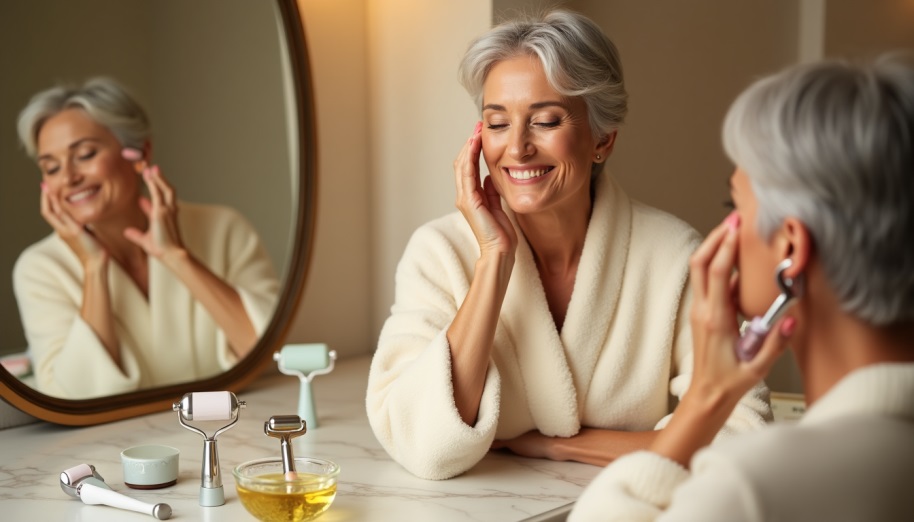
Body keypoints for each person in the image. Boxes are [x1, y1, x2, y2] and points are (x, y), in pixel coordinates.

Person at [366, 9, 771, 481]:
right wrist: (494, 262)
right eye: (497, 124)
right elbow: (423, 445)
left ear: (603, 139)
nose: (517, 148)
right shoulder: (438, 253)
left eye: (546, 121)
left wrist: (559, 447)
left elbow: (743, 436)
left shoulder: (674, 256)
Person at [569, 52, 914, 521]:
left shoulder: (754, 489)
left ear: (791, 248)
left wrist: (706, 397)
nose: (725, 230)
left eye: (735, 206)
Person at [13, 77, 279, 399]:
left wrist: (177, 257)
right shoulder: (39, 268)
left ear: (140, 152)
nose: (69, 178)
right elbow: (74, 397)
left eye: (84, 154)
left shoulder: (224, 228)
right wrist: (94, 268)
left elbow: (269, 355)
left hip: (232, 431)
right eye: (51, 167)